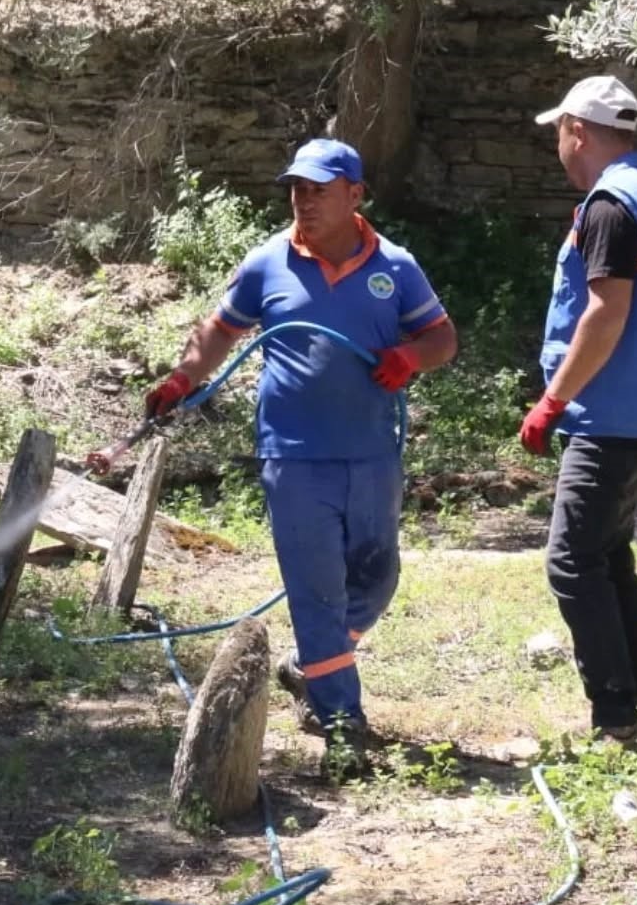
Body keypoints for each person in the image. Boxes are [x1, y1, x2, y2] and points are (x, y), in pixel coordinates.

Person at [121, 138, 457, 772]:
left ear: (355, 195)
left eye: (318, 190)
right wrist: (179, 380)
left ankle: (311, 665)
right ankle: (341, 721)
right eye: (296, 189)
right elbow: (220, 329)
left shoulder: (397, 266)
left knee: (377, 579)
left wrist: (410, 356)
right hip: (293, 455)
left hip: (371, 452)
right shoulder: (267, 263)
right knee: (316, 592)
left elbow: (442, 337)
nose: (303, 201)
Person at [519, 76, 637, 743]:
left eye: (559, 133)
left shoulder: (611, 205)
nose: (558, 146)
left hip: (608, 414)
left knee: (571, 562)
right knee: (608, 557)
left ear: (579, 131)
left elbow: (606, 310)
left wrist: (552, 401)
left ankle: (618, 716)